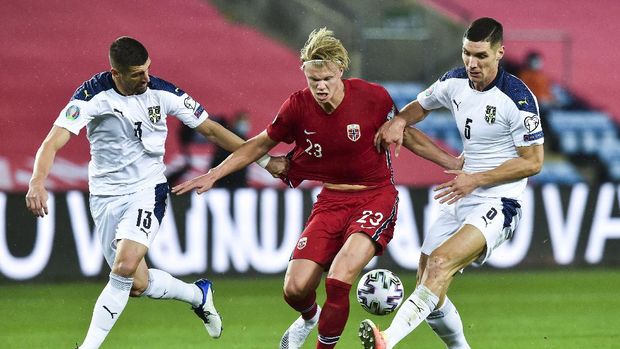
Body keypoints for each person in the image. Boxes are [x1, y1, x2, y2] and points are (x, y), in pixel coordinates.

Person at [172, 28, 461, 349]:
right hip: (330, 200)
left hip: (374, 197)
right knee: (295, 289)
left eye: (326, 78)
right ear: (305, 75)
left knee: (338, 280)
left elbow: (405, 133)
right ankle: (310, 317)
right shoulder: (297, 107)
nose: (320, 86)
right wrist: (216, 172)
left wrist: (451, 162)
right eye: (313, 80)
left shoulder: (372, 97)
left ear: (340, 70)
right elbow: (258, 145)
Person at [24, 36, 282, 349]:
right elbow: (53, 141)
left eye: (148, 69)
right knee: (137, 284)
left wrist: (264, 159)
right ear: (116, 74)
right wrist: (38, 180)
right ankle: (198, 295)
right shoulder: (92, 96)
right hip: (104, 197)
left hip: (147, 190)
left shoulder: (163, 92)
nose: (146, 78)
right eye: (137, 74)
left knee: (123, 267)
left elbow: (212, 130)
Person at [358, 17, 545, 349]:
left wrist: (476, 178)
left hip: (498, 203)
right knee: (428, 279)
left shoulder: (516, 98)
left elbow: (533, 162)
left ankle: (386, 340)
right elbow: (420, 106)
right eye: (466, 54)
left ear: (500, 52)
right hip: (463, 193)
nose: (472, 63)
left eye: (481, 56)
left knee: (441, 264)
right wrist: (400, 120)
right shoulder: (454, 81)